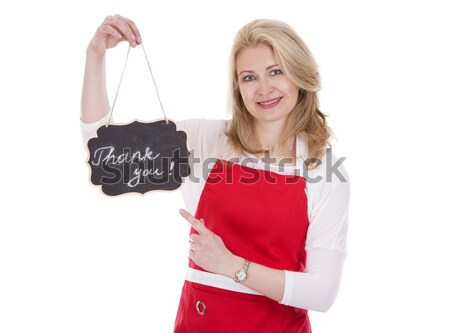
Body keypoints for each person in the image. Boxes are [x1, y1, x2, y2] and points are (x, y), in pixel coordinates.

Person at [80, 14, 350, 333]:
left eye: (275, 71)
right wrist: (95, 56)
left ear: (298, 74)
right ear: (237, 87)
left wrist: (231, 266)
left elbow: (321, 292)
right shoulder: (206, 141)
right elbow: (107, 154)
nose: (264, 89)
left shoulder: (324, 171)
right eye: (249, 77)